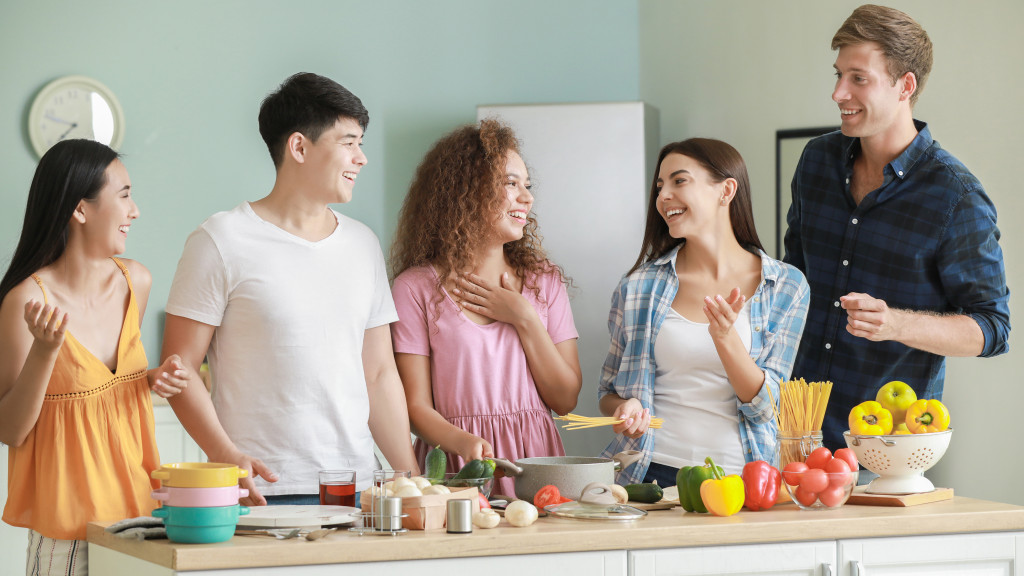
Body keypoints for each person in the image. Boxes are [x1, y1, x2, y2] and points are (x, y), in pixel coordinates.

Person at [161, 72, 418, 506]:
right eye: (349, 142)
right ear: (299, 146)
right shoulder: (221, 240)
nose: (362, 158)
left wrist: (410, 480)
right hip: (261, 490)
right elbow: (179, 368)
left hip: (359, 490)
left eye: (362, 143)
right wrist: (226, 457)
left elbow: (377, 373)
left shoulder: (363, 244)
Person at [784, 5, 1010, 452]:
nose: (837, 93)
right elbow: (791, 281)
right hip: (792, 433)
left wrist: (896, 323)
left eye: (858, 78)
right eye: (838, 74)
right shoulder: (816, 161)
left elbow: (993, 328)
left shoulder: (957, 196)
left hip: (886, 450)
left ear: (905, 85)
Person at [0, 140, 189, 575]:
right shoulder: (26, 301)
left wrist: (153, 377)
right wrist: (45, 351)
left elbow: (102, 389)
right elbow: (10, 429)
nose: (134, 210)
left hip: (143, 521)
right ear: (80, 210)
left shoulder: (135, 281)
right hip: (69, 534)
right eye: (124, 195)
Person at [599, 138, 810, 485]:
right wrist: (623, 409)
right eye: (660, 186)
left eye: (679, 181)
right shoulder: (637, 287)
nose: (663, 195)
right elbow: (606, 392)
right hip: (648, 477)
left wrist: (726, 340)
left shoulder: (785, 286)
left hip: (742, 480)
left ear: (725, 190)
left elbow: (765, 408)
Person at [389, 120, 582, 497]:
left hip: (537, 466)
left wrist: (523, 316)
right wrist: (462, 442)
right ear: (465, 190)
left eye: (527, 185)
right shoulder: (415, 288)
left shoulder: (544, 281)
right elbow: (414, 406)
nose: (526, 197)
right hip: (459, 470)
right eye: (511, 183)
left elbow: (565, 399)